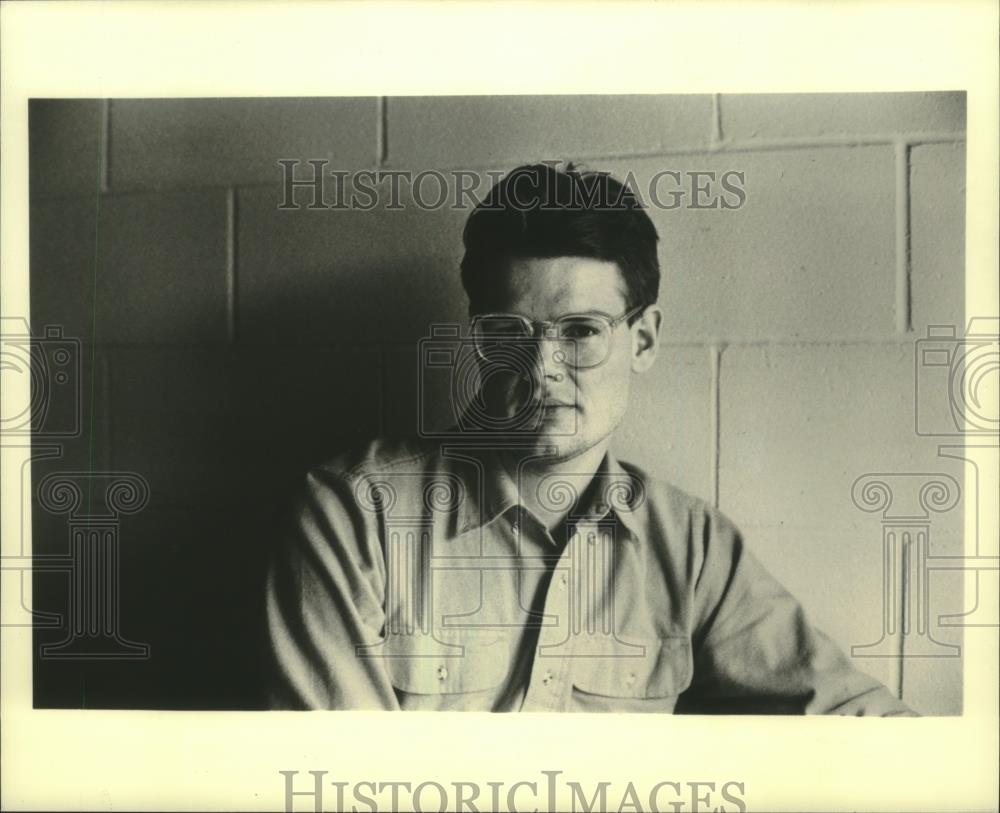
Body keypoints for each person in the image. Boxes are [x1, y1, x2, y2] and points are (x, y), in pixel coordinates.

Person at [265, 162, 915, 714]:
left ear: (644, 339)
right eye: (509, 331)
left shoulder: (690, 547)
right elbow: (341, 780)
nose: (541, 367)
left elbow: (858, 721)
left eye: (579, 330)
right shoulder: (354, 516)